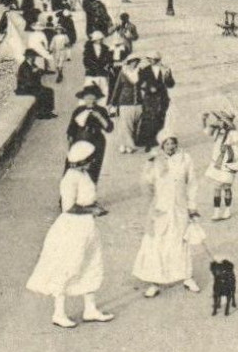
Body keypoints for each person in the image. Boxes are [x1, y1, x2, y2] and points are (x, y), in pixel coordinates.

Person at [25, 141, 114, 329]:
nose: (92, 162)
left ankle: (90, 308)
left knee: (91, 263)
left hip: (87, 226)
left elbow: (86, 199)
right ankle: (59, 313)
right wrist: (92, 210)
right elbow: (68, 207)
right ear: (81, 160)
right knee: (68, 266)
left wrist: (94, 208)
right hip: (72, 228)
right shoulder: (70, 179)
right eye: (89, 159)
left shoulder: (83, 174)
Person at [133, 128, 202, 298]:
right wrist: (149, 165)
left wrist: (192, 206)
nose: (171, 146)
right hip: (160, 209)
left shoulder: (185, 159)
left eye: (173, 143)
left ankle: (186, 277)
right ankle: (154, 281)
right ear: (162, 145)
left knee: (180, 241)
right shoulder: (155, 160)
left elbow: (192, 183)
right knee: (157, 243)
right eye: (167, 143)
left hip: (180, 208)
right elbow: (146, 184)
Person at [66, 81, 115, 191]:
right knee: (73, 168)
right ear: (84, 98)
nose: (90, 100)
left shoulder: (101, 110)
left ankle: (88, 198)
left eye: (93, 98)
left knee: (93, 169)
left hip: (96, 140)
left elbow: (109, 128)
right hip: (80, 139)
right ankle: (69, 196)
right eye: (87, 97)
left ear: (97, 99)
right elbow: (71, 129)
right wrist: (70, 146)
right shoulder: (78, 110)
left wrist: (100, 118)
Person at [202, 110, 238, 220]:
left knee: (227, 187)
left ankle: (227, 210)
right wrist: (204, 120)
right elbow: (207, 131)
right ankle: (216, 211)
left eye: (220, 120)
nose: (217, 122)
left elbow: (237, 147)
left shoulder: (233, 133)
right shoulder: (218, 131)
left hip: (228, 163)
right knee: (217, 187)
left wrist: (229, 148)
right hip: (217, 164)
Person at [108, 56, 145, 153]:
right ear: (129, 62)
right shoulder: (123, 73)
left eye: (136, 61)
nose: (134, 63)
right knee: (125, 126)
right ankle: (128, 146)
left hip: (138, 102)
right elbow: (117, 88)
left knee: (135, 125)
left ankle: (126, 145)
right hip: (125, 103)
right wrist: (112, 103)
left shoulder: (140, 72)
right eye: (133, 61)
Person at [15, 51, 56, 119]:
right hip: (25, 87)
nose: (34, 58)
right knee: (41, 93)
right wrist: (35, 72)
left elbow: (39, 71)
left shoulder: (32, 64)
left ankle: (48, 111)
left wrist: (39, 71)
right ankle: (41, 113)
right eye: (33, 57)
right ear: (29, 57)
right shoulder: (24, 66)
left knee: (49, 91)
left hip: (32, 86)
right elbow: (27, 79)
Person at [83, 31, 112, 98]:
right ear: (94, 39)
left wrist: (107, 66)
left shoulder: (105, 48)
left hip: (102, 72)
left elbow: (109, 59)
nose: (100, 40)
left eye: (101, 39)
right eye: (98, 39)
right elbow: (86, 60)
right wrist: (91, 66)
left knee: (104, 90)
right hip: (91, 73)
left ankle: (103, 105)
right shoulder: (88, 48)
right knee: (90, 90)